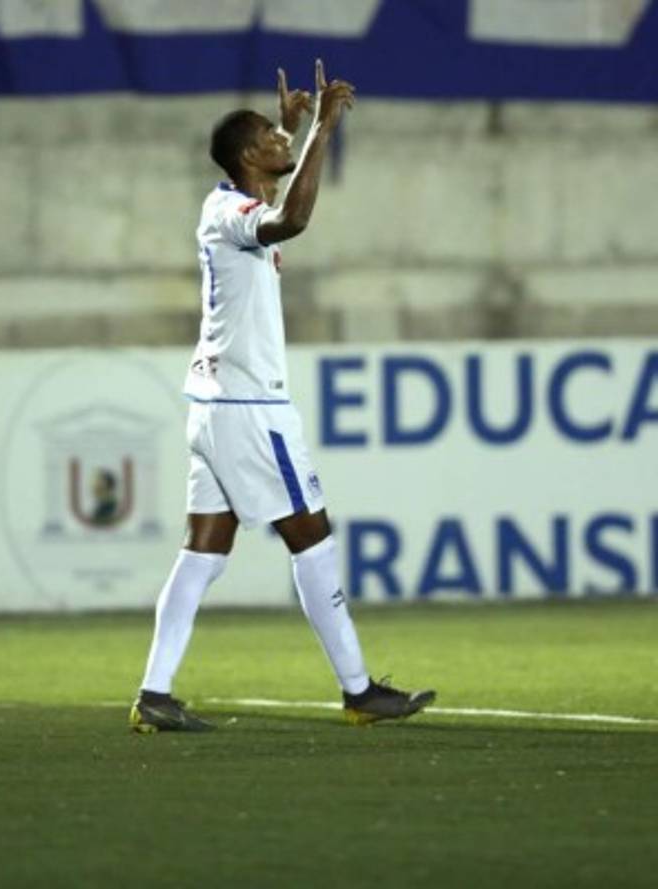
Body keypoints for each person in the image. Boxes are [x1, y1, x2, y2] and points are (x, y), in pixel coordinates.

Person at [129, 61, 436, 733]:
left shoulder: (229, 205)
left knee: (203, 554)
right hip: (250, 409)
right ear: (247, 156)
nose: (280, 136)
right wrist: (323, 129)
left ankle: (154, 693)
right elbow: (290, 219)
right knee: (313, 540)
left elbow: (269, 199)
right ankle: (358, 690)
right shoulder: (233, 212)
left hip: (214, 406)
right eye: (269, 135)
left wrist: (291, 130)